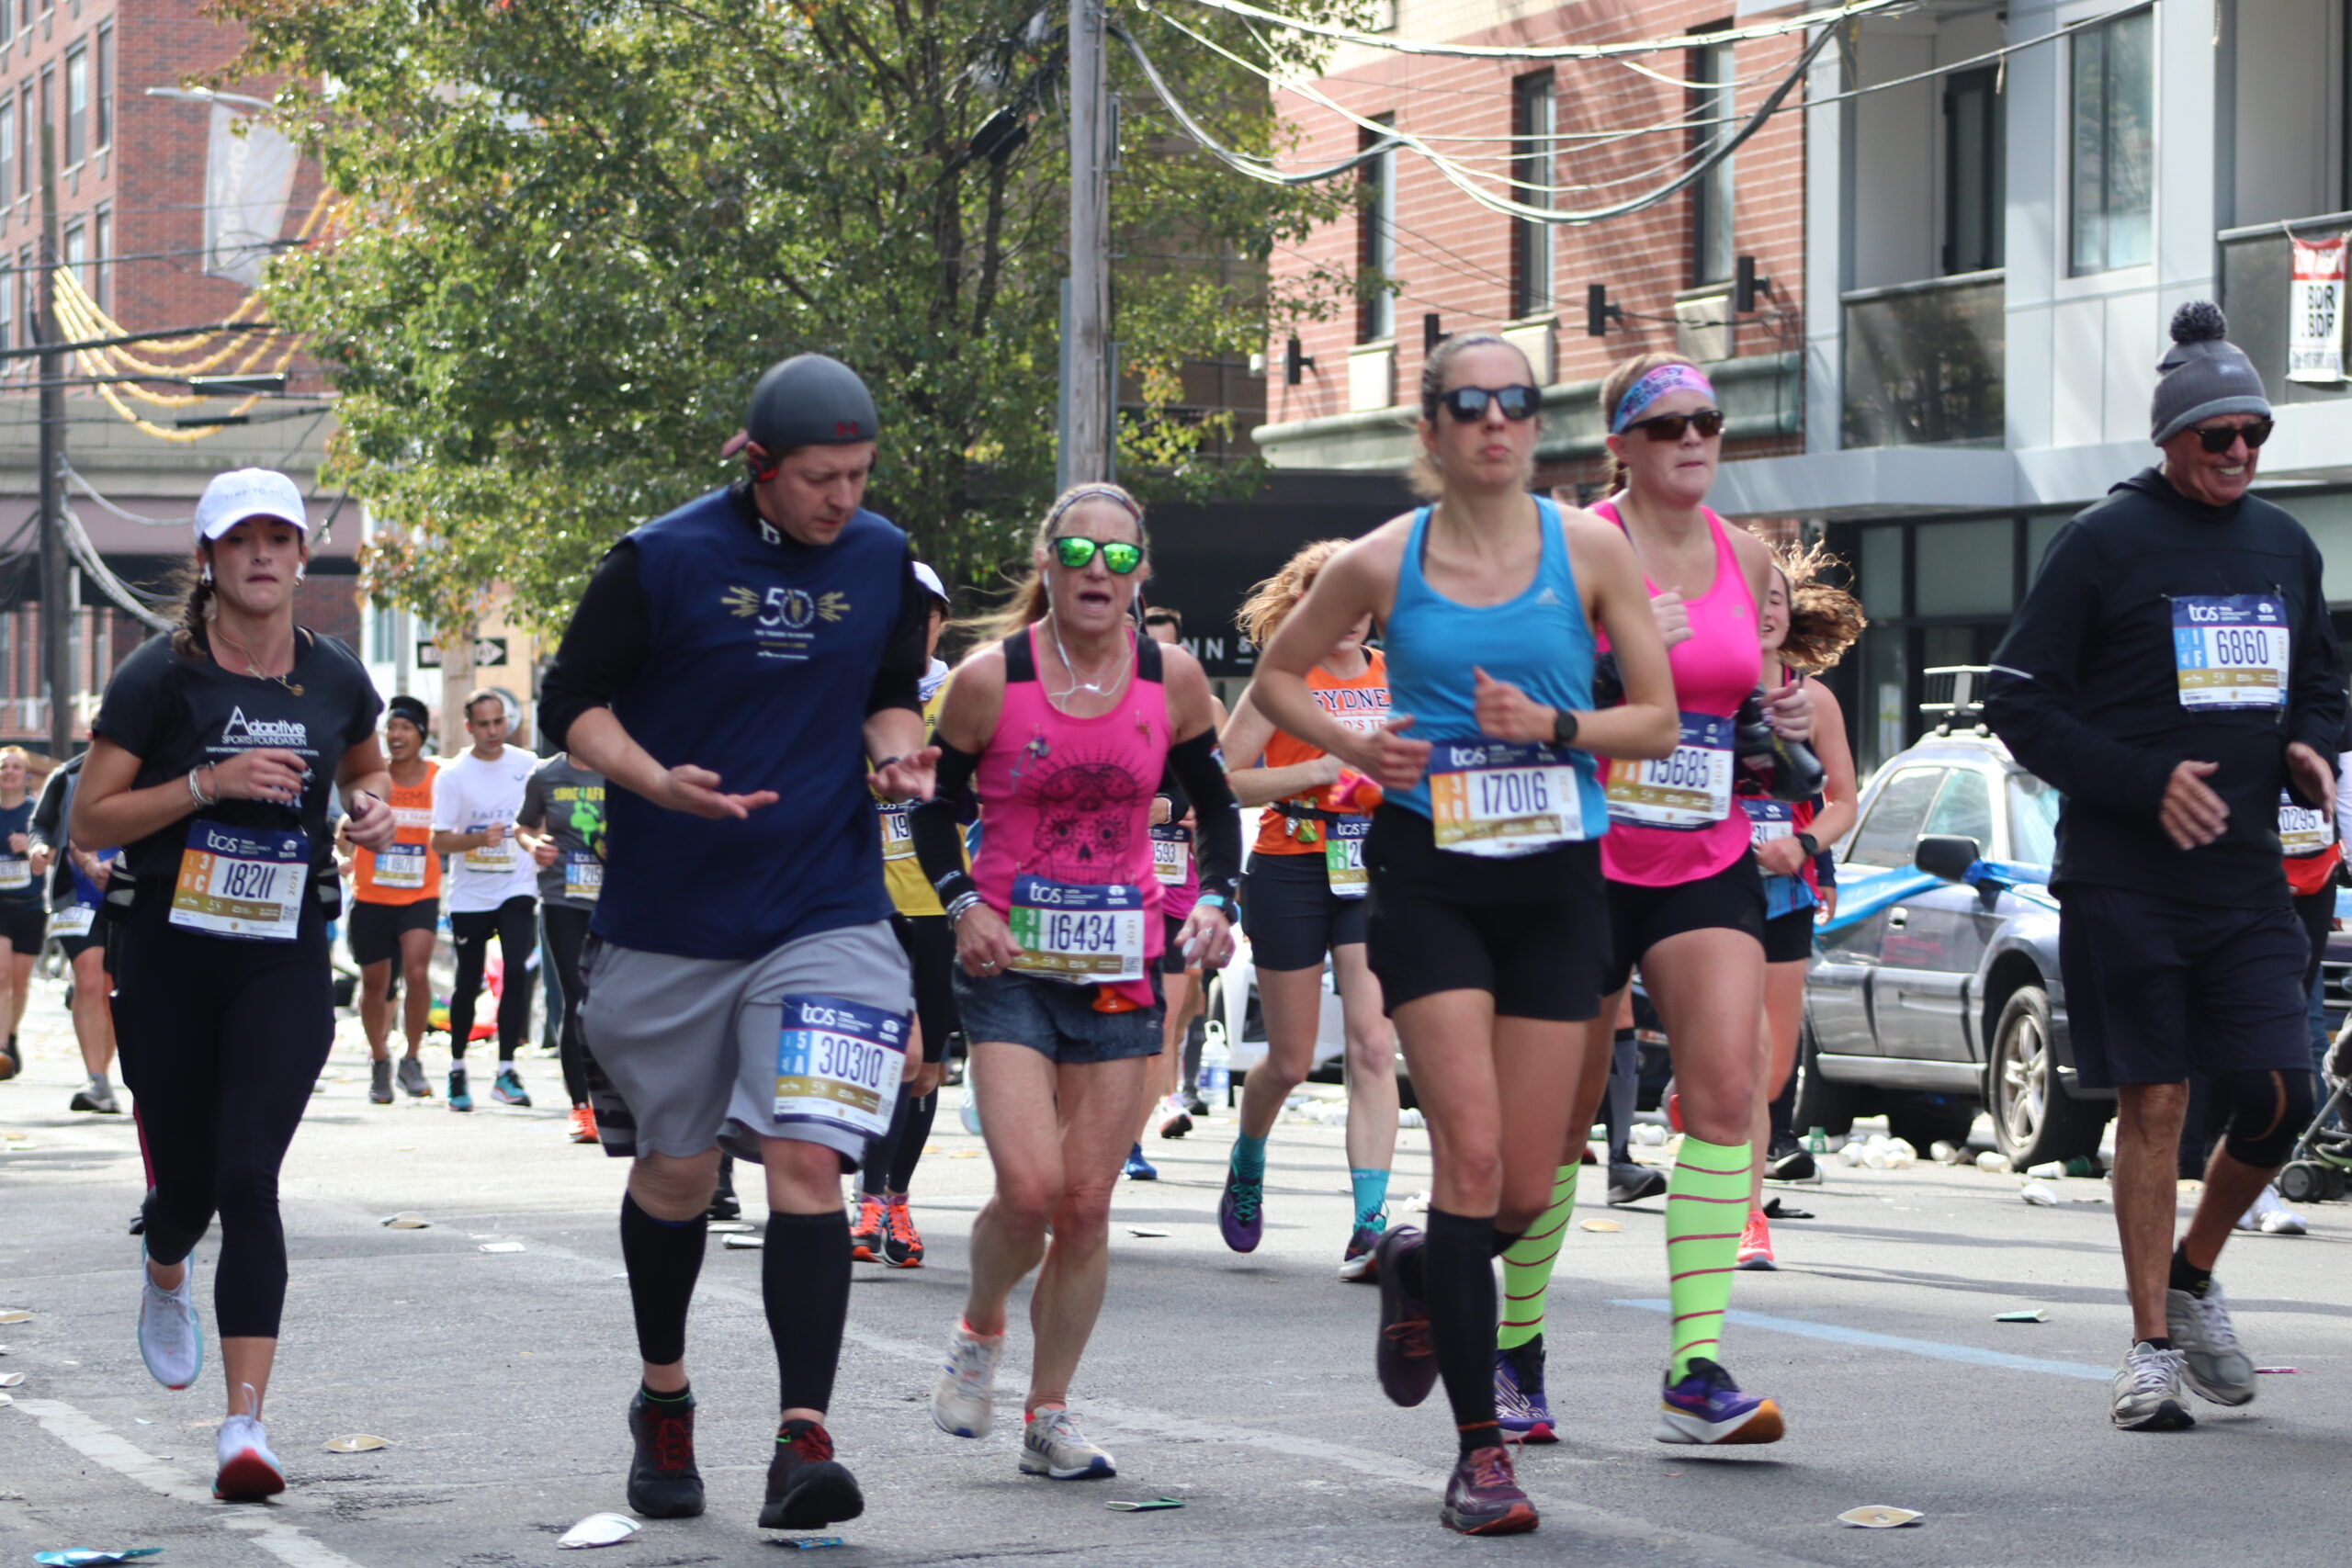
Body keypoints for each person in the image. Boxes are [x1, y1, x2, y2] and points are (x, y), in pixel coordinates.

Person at [1250, 333, 1677, 1533]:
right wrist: (1353, 744)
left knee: (1533, 1187)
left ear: (1539, 425)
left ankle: (1416, 1265)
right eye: (1469, 404)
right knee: (1473, 1159)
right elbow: (1278, 679)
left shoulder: (1589, 549)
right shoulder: (1385, 559)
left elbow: (1655, 717)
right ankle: (1481, 1451)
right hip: (1428, 874)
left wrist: (1555, 722)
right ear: (1430, 430)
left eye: (1517, 403)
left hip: (1553, 876)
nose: (1496, 420)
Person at [537, 352, 934, 1534]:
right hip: (670, 918)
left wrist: (898, 750)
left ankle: (801, 1439)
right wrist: (654, 780)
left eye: (859, 476)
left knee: (810, 1159)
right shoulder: (658, 561)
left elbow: (888, 683)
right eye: (820, 478)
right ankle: (665, 1399)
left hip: (825, 905)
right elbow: (571, 704)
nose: (843, 501)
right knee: (677, 1167)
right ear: (757, 468)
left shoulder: (881, 560)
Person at [1985, 302, 2345, 1431]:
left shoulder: (2284, 546)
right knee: (2156, 1101)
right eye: (2216, 437)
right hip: (2123, 875)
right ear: (2170, 440)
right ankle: (2147, 1350)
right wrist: (2141, 782)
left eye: (2254, 435)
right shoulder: (2101, 542)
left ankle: (2194, 1276)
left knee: (2283, 1097)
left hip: (2245, 876)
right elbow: (2016, 699)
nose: (2237, 454)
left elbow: (2323, 683)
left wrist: (2310, 747)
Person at [1492, 354, 1816, 1452]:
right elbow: (1509, 693)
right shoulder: (1573, 547)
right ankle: (1516, 1350)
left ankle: (1693, 1368)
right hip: (1580, 855)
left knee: (1729, 1093)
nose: (1693, 437)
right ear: (1619, 445)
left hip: (1705, 854)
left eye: (1707, 420)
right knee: (1554, 1132)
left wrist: (1780, 744)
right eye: (1667, 422)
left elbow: (1736, 711)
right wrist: (1620, 671)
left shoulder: (1745, 553)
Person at [74, 467, 396, 1500]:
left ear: (302, 557)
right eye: (240, 540)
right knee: (190, 1191)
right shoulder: (157, 678)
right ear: (208, 561)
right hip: (167, 954)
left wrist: (372, 810)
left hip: (282, 956)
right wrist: (208, 783)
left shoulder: (337, 673)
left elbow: (366, 768)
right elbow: (89, 823)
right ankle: (164, 1261)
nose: (262, 556)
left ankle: (245, 1429)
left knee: (250, 1177)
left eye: (280, 539)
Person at [916, 482, 1240, 1483]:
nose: (1096, 573)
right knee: (1029, 1187)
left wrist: (1219, 899)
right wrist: (960, 897)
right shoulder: (985, 682)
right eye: (1076, 553)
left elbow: (1216, 808)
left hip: (1122, 966)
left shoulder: (1173, 679)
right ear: (1046, 565)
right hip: (1009, 960)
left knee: (1089, 1205)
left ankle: (1046, 1415)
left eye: (1116, 557)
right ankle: (979, 1327)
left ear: (1140, 573)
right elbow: (932, 810)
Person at [1215, 540, 1401, 1278]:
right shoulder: (1280, 678)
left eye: (1359, 601)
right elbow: (1224, 779)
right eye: (1332, 600)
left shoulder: (1397, 675)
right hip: (1290, 864)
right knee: (1291, 1060)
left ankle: (1369, 1222)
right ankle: (1249, 1153)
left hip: (1373, 870)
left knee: (1372, 1044)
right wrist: (1314, 770)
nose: (1349, 618)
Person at [1736, 547, 1861, 1268]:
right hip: (1705, 882)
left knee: (1775, 1067)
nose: (1767, 606)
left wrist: (1805, 844)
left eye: (1778, 596)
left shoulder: (1812, 699)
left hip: (1784, 886)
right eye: (1754, 594)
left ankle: (1716, 1100)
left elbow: (1844, 798)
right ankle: (1748, 1212)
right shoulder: (1698, 687)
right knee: (1742, 1053)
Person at [849, 561, 958, 1266]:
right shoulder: (851, 690)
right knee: (895, 1053)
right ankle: (865, 1199)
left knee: (927, 1070)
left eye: (926, 613)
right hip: (869, 902)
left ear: (942, 620)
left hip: (945, 901)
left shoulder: (962, 692)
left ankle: (895, 1198)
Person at [429, 690, 540, 1111]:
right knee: (469, 980)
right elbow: (439, 840)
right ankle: (457, 1068)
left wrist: (537, 840)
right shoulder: (454, 775)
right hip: (470, 894)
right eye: (485, 724)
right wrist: (479, 838)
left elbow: (539, 818)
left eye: (499, 722)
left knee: (516, 970)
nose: (494, 731)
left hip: (516, 886)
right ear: (469, 727)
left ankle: (506, 1070)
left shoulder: (528, 765)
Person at [341, 694, 440, 1103]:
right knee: (374, 983)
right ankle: (380, 1060)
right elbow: (345, 830)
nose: (396, 736)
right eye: (391, 728)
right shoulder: (374, 774)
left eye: (405, 728)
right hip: (373, 895)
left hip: (420, 894)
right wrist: (340, 856)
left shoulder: (440, 777)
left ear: (421, 734)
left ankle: (412, 1058)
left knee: (417, 974)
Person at [516, 747, 608, 1144]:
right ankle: (582, 1108)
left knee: (612, 999)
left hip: (615, 899)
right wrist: (534, 846)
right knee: (578, 995)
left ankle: (615, 1101)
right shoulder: (545, 774)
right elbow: (523, 826)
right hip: (562, 898)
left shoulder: (620, 765)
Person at [32, 749, 120, 1112]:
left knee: (112, 988)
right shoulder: (66, 775)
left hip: (129, 896)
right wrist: (40, 848)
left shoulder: (152, 768)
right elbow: (43, 823)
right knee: (89, 981)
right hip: (75, 898)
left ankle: (104, 1078)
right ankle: (96, 1080)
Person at [0, 747, 52, 1078]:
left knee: (19, 983)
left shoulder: (36, 813)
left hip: (30, 905)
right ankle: (2, 1047)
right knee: (1, 976)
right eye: (4, 767)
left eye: (16, 767)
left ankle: (12, 1034)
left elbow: (50, 851)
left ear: (26, 774)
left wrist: (32, 848)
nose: (9, 772)